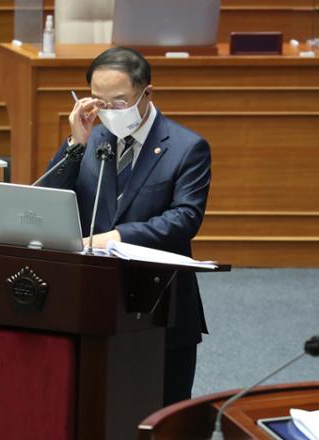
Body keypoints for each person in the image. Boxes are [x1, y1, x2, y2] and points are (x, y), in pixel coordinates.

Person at [43, 47, 211, 406]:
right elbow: (48, 199)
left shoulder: (187, 147)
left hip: (160, 305)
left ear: (146, 93)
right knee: (96, 406)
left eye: (119, 102)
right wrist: (75, 144)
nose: (108, 112)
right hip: (94, 299)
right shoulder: (90, 140)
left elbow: (184, 218)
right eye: (98, 102)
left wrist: (115, 237)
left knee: (160, 410)